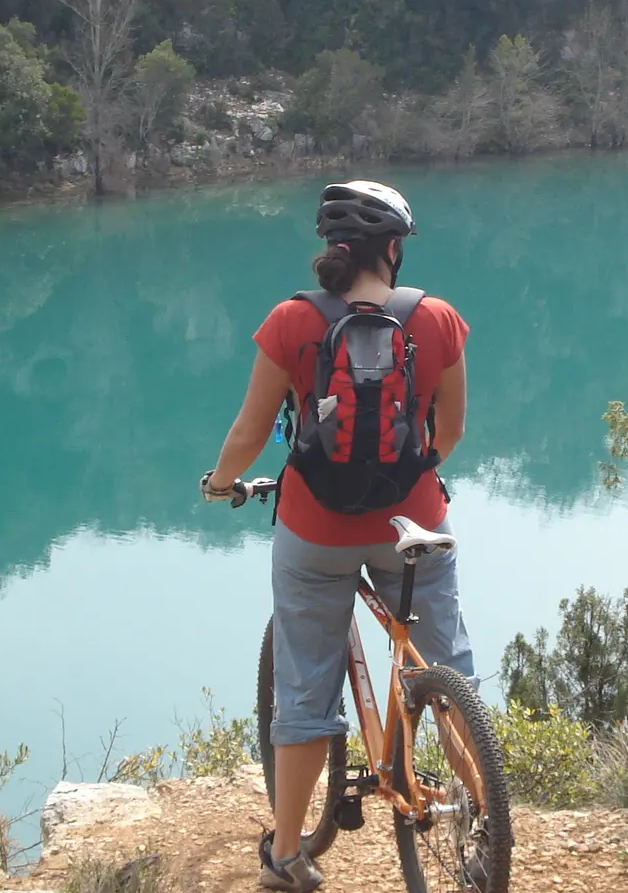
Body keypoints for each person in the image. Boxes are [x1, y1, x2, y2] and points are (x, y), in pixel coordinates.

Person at [200, 180, 475, 892]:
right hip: (411, 522)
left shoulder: (291, 321)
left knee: (304, 697)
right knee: (447, 673)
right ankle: (483, 815)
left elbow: (251, 431)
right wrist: (408, 480)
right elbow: (449, 433)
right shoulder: (437, 318)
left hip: (313, 532)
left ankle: (288, 857)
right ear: (392, 250)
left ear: (333, 251)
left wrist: (223, 482)